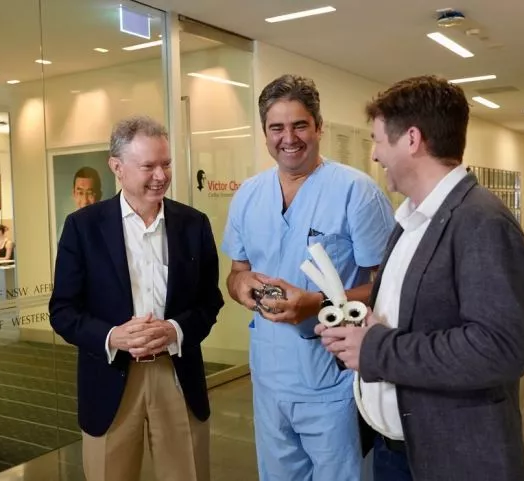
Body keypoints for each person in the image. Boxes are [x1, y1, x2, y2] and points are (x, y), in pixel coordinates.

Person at [317, 75, 524, 481]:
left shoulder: (482, 222)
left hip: (454, 457)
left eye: (379, 141)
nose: (376, 155)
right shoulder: (411, 221)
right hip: (398, 450)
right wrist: (361, 330)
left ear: (412, 139)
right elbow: (415, 318)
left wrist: (378, 349)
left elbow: (501, 349)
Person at [222, 74, 395, 481]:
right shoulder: (248, 194)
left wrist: (315, 302)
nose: (289, 138)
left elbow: (387, 286)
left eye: (300, 125)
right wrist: (241, 287)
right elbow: (236, 273)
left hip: (332, 374)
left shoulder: (357, 191)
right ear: (264, 132)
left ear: (319, 127)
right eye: (276, 127)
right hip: (268, 372)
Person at [49, 115, 224, 481]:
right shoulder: (82, 228)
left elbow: (210, 303)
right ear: (117, 167)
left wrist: (175, 330)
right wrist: (113, 336)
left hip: (176, 373)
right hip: (109, 374)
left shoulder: (194, 224)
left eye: (166, 164)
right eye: (149, 166)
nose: (161, 175)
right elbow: (63, 311)